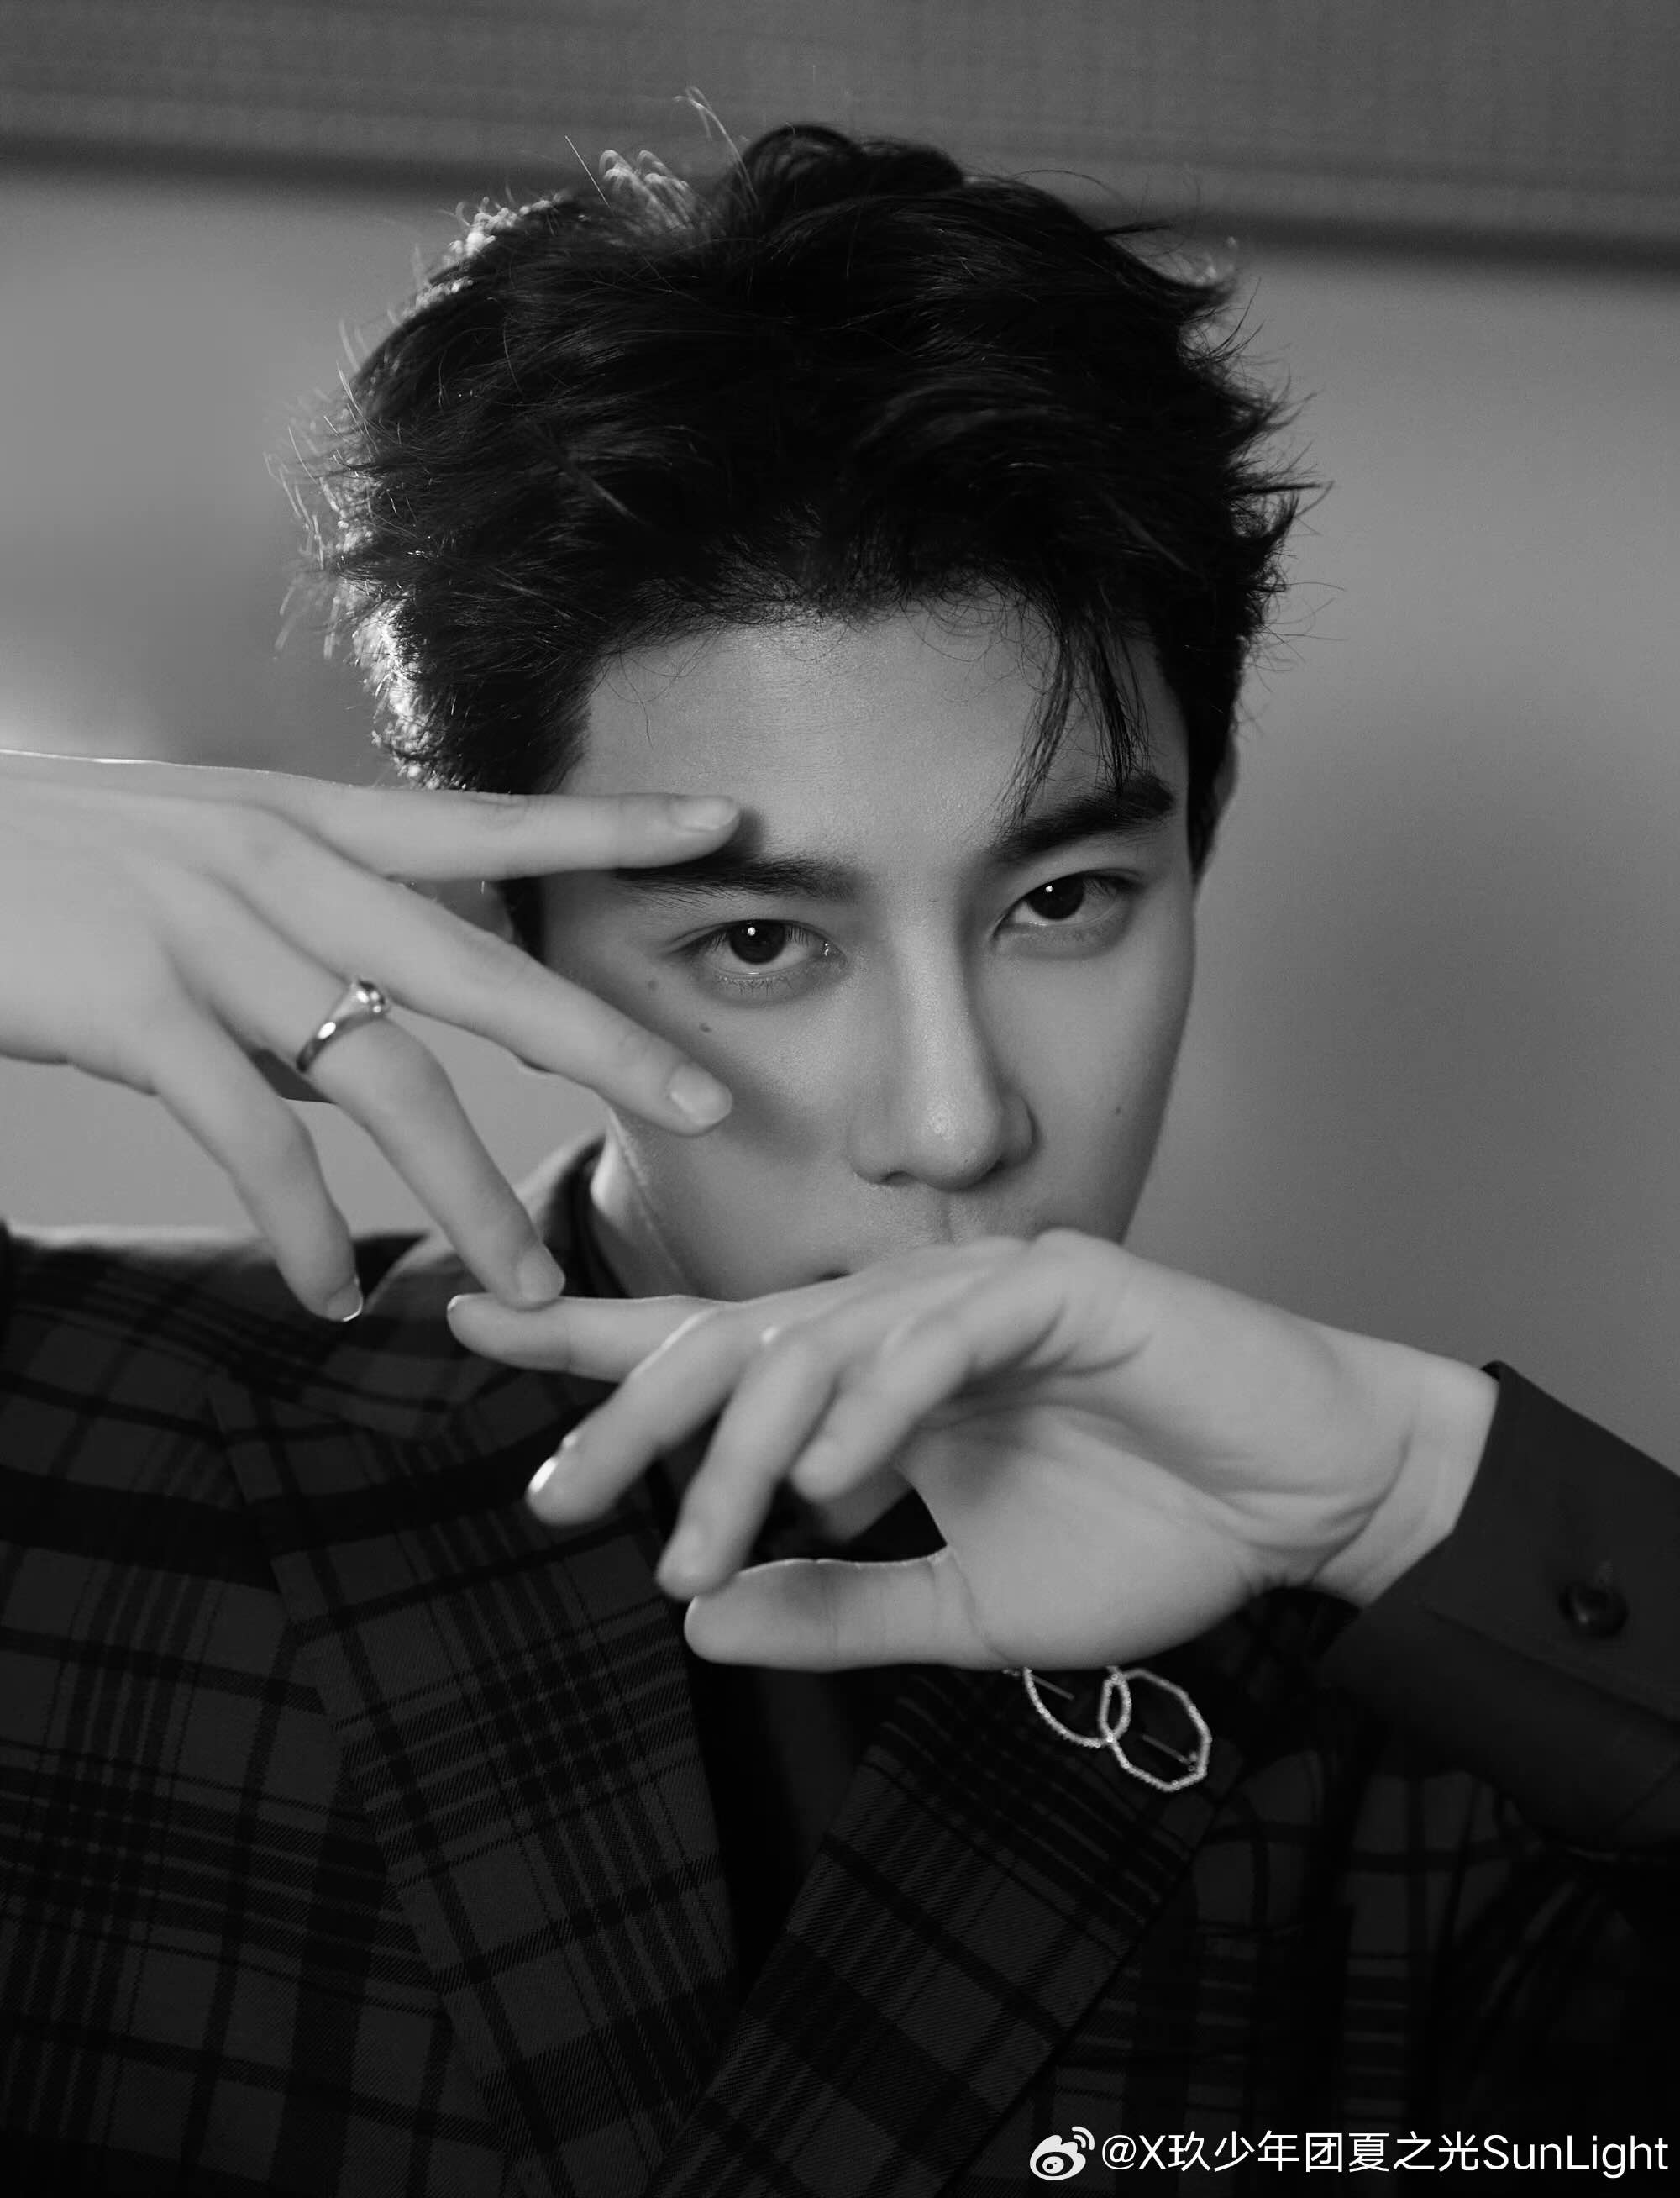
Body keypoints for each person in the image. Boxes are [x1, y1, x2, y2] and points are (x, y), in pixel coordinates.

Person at [2, 120, 1676, 2195]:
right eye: (760, 943)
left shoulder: (1471, 1700)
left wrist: (1416, 1488)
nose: (955, 1120)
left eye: (1059, 903)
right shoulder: (78, 1445)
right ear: (507, 938)